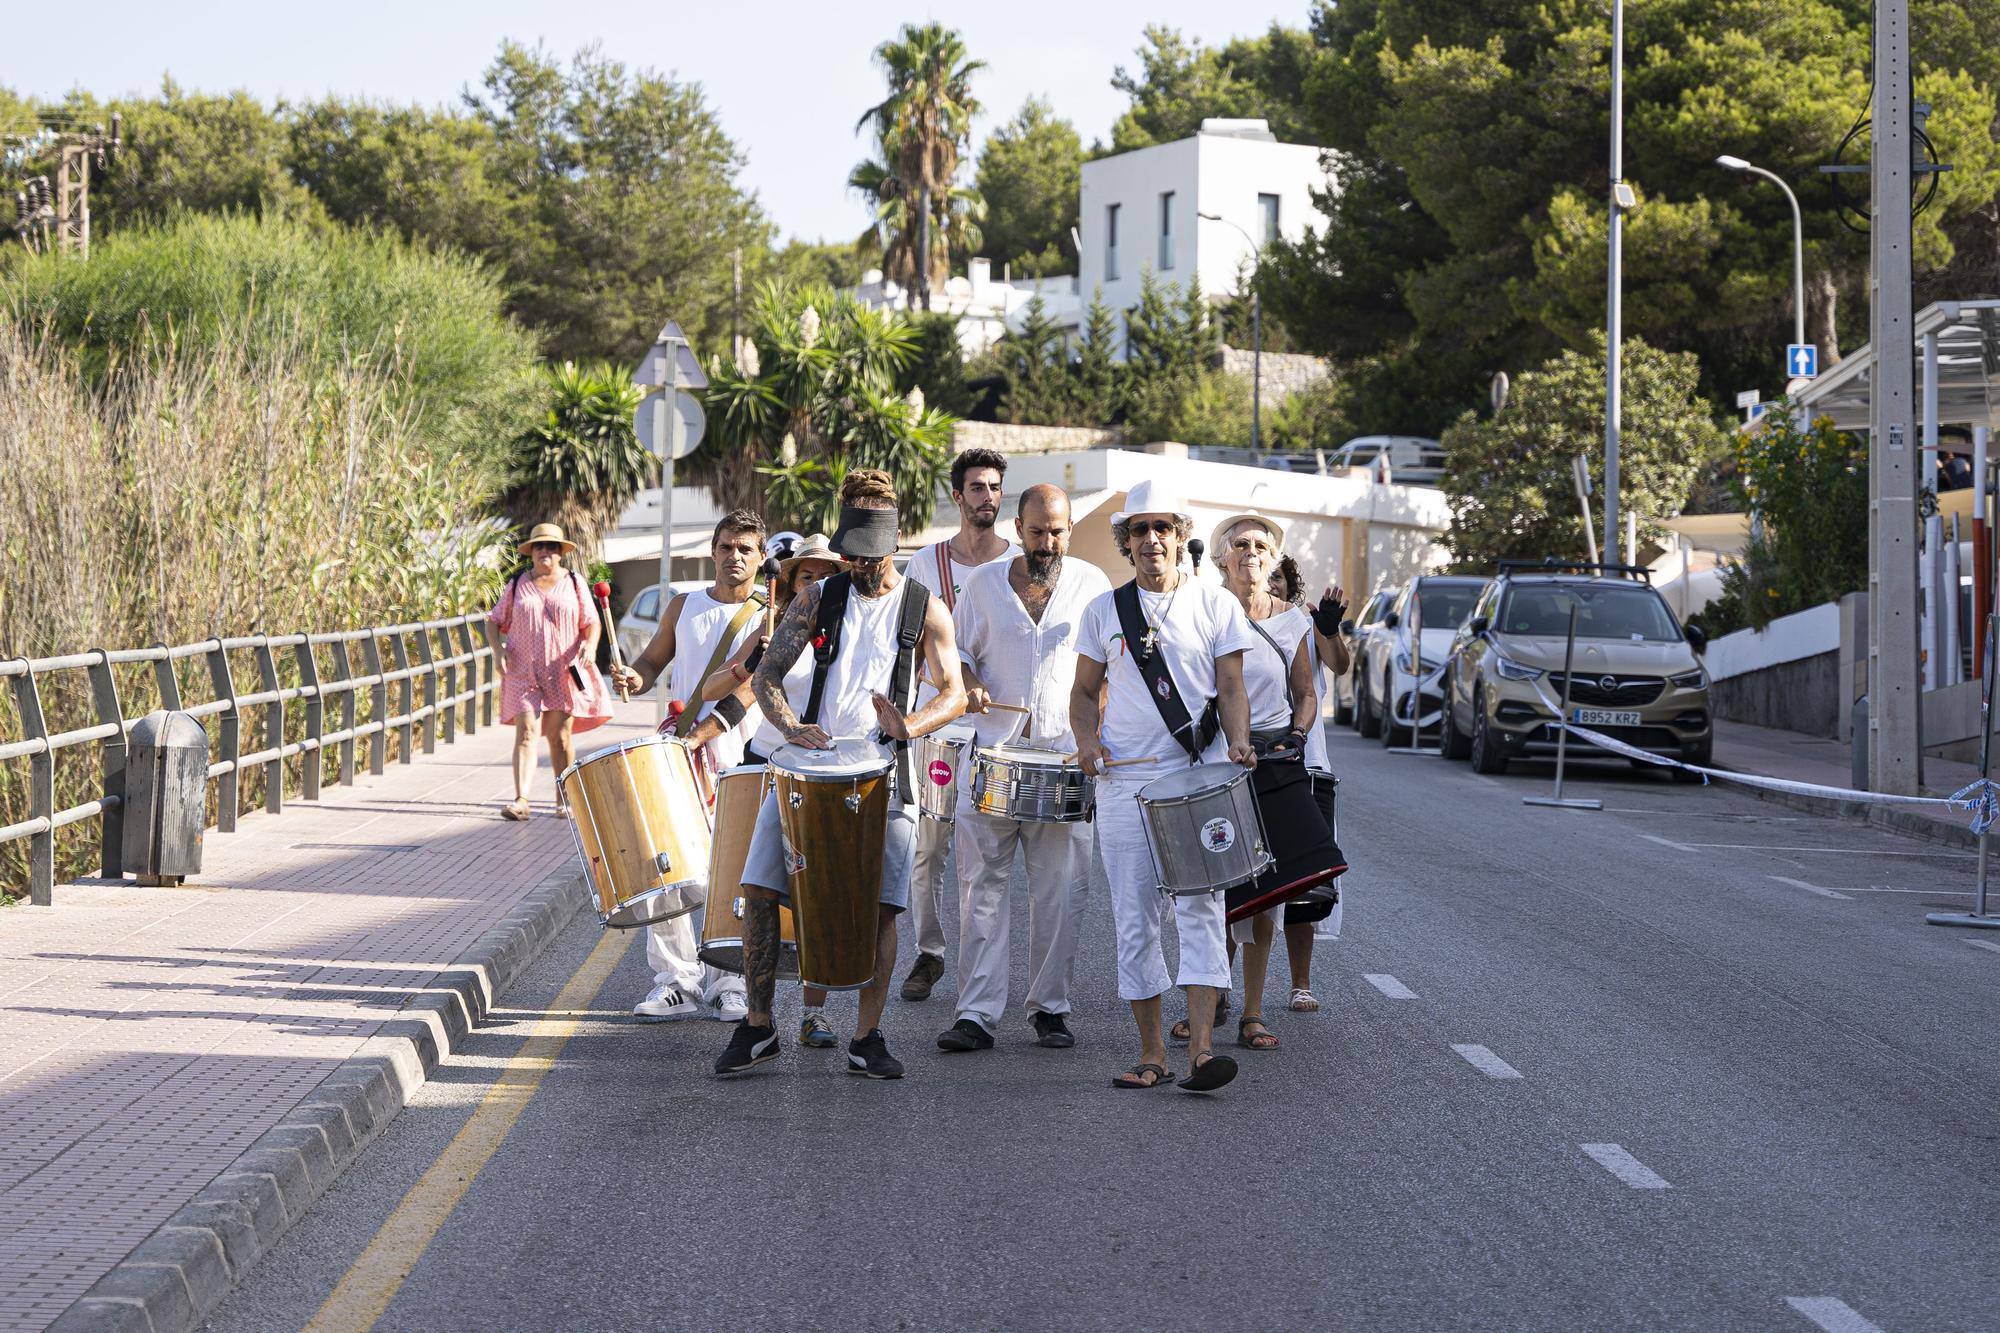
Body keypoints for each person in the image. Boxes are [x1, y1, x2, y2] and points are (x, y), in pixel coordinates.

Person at [715, 469, 968, 1080]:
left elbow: (955, 693)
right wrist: (791, 725)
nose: (859, 567)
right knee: (759, 891)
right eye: (851, 555)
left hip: (886, 775)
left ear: (894, 543)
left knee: (881, 907)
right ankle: (758, 1025)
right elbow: (768, 676)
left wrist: (909, 723)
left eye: (870, 557)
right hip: (805, 770)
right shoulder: (817, 597)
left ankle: (867, 1034)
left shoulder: (924, 609)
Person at [1069, 479, 1257, 1093]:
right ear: (1126, 542)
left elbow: (1231, 688)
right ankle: (1153, 1052)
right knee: (1135, 918)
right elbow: (1082, 691)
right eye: (1140, 530)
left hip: (1198, 780)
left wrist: (1237, 742)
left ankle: (1202, 1050)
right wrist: (1088, 742)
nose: (1152, 539)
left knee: (1202, 912)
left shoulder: (1215, 604)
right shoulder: (1104, 610)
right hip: (1125, 786)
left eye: (1163, 529)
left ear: (1181, 537)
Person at [936, 484, 1112, 1055]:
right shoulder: (984, 585)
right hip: (992, 757)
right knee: (979, 887)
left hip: (1064, 759)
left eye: (1057, 531)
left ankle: (1050, 1008)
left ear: (1070, 529)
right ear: (1018, 527)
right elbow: (954, 656)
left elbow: (1111, 668)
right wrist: (971, 684)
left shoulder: (1093, 587)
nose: (1047, 542)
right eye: (1037, 532)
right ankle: (976, 1013)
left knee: (1061, 891)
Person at [613, 511, 768, 1023]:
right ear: (714, 551)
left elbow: (751, 687)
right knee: (667, 865)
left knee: (732, 872)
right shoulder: (684, 606)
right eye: (726, 546)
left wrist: (708, 733)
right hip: (679, 750)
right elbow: (654, 660)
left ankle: (731, 982)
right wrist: (634, 678)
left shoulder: (767, 616)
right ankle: (675, 979)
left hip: (739, 755)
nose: (734, 556)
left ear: (761, 557)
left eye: (746, 548)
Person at [1202, 512, 1347, 1050]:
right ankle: (1210, 996)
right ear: (1223, 558)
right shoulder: (1202, 612)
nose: (1252, 554)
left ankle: (1253, 1013)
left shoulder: (1292, 620)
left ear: (1274, 558)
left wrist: (1297, 737)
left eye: (1262, 546)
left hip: (1271, 762)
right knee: (1212, 890)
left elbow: (1306, 692)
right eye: (1240, 545)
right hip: (1215, 763)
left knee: (1266, 893)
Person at [708, 532, 848, 1048]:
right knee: (758, 891)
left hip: (818, 770)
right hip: (765, 762)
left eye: (826, 572)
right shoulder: (772, 625)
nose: (817, 581)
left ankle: (814, 1013)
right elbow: (715, 691)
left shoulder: (847, 624)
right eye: (806, 573)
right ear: (791, 579)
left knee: (816, 896)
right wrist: (751, 664)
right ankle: (755, 1011)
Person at [897, 447, 1019, 1002]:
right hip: (940, 727)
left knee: (988, 857)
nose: (986, 497)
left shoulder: (1018, 561)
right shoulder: (927, 564)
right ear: (957, 495)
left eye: (994, 487)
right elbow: (911, 643)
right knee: (928, 846)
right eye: (976, 487)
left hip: (1000, 732)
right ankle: (929, 951)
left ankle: (982, 969)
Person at [491, 523, 614, 821]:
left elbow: (592, 621)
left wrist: (591, 646)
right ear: (531, 552)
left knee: (560, 737)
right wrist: (498, 650)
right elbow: (494, 619)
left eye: (552, 547)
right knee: (526, 733)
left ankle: (564, 798)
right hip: (523, 670)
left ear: (561, 553)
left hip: (562, 670)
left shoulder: (574, 582)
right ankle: (521, 800)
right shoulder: (518, 583)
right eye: (539, 546)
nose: (545, 551)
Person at [1287, 562, 1353, 1013]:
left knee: (1305, 886)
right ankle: (1222, 991)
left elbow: (1340, 664)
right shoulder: (1228, 621)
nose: (1269, 584)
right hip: (1244, 760)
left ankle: (1300, 983)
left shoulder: (1306, 627)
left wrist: (1328, 630)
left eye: (1279, 579)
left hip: (1307, 764)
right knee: (1238, 885)